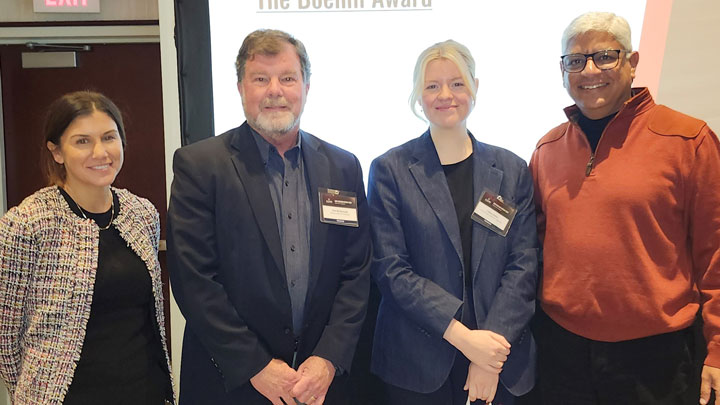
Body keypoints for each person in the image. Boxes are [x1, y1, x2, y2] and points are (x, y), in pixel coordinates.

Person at [167, 29, 371, 405]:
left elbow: (356, 272)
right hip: (232, 383)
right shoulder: (200, 166)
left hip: (321, 385)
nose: (274, 90)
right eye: (260, 79)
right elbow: (194, 279)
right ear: (241, 87)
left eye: (288, 78)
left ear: (306, 87)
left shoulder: (343, 167)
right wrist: (256, 365)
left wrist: (328, 358)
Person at [529, 11, 720, 404]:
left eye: (605, 56)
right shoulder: (547, 149)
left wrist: (718, 349)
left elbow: (715, 253)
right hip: (562, 354)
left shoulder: (688, 140)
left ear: (632, 63)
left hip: (656, 361)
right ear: (562, 70)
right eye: (576, 61)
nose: (589, 71)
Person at [368, 40, 538, 405]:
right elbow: (391, 270)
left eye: (457, 83)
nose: (445, 95)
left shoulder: (511, 170)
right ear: (418, 94)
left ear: (475, 87)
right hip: (417, 365)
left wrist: (488, 356)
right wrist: (464, 339)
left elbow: (523, 266)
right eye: (432, 86)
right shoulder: (390, 170)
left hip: (499, 361)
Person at [0, 91, 174, 404]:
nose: (100, 152)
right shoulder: (27, 222)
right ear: (57, 152)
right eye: (82, 141)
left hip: (143, 391)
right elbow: (6, 336)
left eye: (109, 137)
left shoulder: (142, 213)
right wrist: (34, 393)